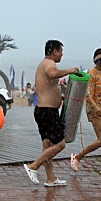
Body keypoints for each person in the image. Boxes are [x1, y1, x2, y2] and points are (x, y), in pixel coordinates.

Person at [24, 40, 79, 187]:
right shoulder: (49, 63)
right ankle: (33, 167)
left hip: (44, 110)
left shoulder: (44, 63)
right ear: (55, 51)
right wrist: (70, 70)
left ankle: (50, 178)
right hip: (47, 112)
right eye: (60, 51)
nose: (61, 54)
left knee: (47, 146)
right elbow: (52, 73)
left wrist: (60, 97)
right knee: (60, 144)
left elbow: (47, 87)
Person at [70, 48, 101, 176]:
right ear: (97, 60)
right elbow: (88, 95)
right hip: (95, 110)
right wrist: (96, 107)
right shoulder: (91, 73)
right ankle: (77, 157)